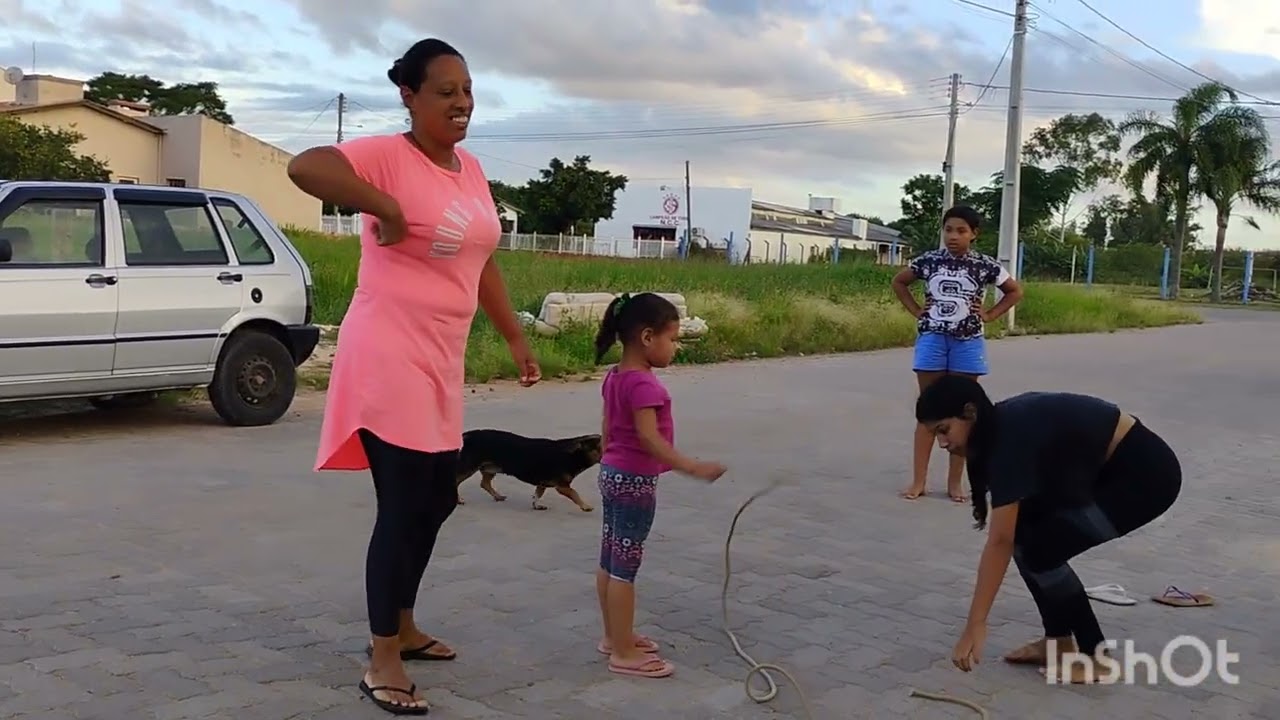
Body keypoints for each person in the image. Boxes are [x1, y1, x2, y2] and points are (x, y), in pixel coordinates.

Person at [286, 38, 541, 715]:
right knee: (403, 507)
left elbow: (482, 258)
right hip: (386, 355)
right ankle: (382, 659)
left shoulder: (471, 168)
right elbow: (305, 166)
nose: (462, 103)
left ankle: (402, 625)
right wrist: (388, 206)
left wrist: (515, 335)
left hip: (438, 361)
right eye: (446, 91)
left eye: (467, 90)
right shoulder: (387, 156)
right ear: (410, 95)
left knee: (436, 501)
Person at [914, 375, 1182, 684]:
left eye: (944, 430)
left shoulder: (1007, 441)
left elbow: (999, 541)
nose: (942, 443)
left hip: (1147, 476)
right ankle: (1058, 642)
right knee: (1027, 536)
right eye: (935, 434)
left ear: (970, 413)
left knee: (1043, 551)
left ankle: (1098, 658)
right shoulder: (996, 428)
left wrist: (976, 624)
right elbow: (1009, 534)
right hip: (1103, 470)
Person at [592, 292, 726, 679]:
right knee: (625, 568)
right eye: (673, 339)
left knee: (609, 557)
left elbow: (607, 427)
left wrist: (607, 458)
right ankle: (623, 653)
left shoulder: (616, 376)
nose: (675, 348)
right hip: (634, 481)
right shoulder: (644, 385)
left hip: (612, 474)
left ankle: (614, 637)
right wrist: (692, 466)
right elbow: (649, 439)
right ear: (647, 337)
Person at [891, 205, 1022, 502]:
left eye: (961, 231)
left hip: (967, 343)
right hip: (933, 339)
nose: (953, 236)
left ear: (974, 234)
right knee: (929, 410)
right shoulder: (929, 261)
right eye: (948, 230)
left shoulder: (985, 265)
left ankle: (955, 483)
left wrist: (989, 315)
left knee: (963, 412)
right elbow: (899, 282)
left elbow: (1014, 291)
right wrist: (917, 310)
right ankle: (919, 481)